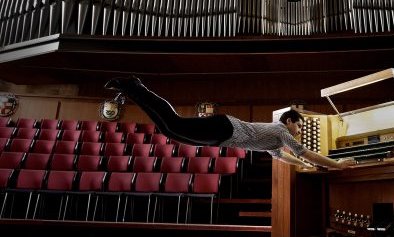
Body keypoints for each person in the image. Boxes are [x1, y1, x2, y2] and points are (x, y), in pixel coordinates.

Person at [104, 76, 356, 169]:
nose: (299, 132)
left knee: (169, 129)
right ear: (290, 121)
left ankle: (133, 91)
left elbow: (281, 156)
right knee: (174, 123)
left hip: (222, 136)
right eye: (299, 127)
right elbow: (305, 153)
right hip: (226, 128)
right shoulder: (281, 130)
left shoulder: (273, 140)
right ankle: (135, 87)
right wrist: (337, 164)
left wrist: (302, 164)